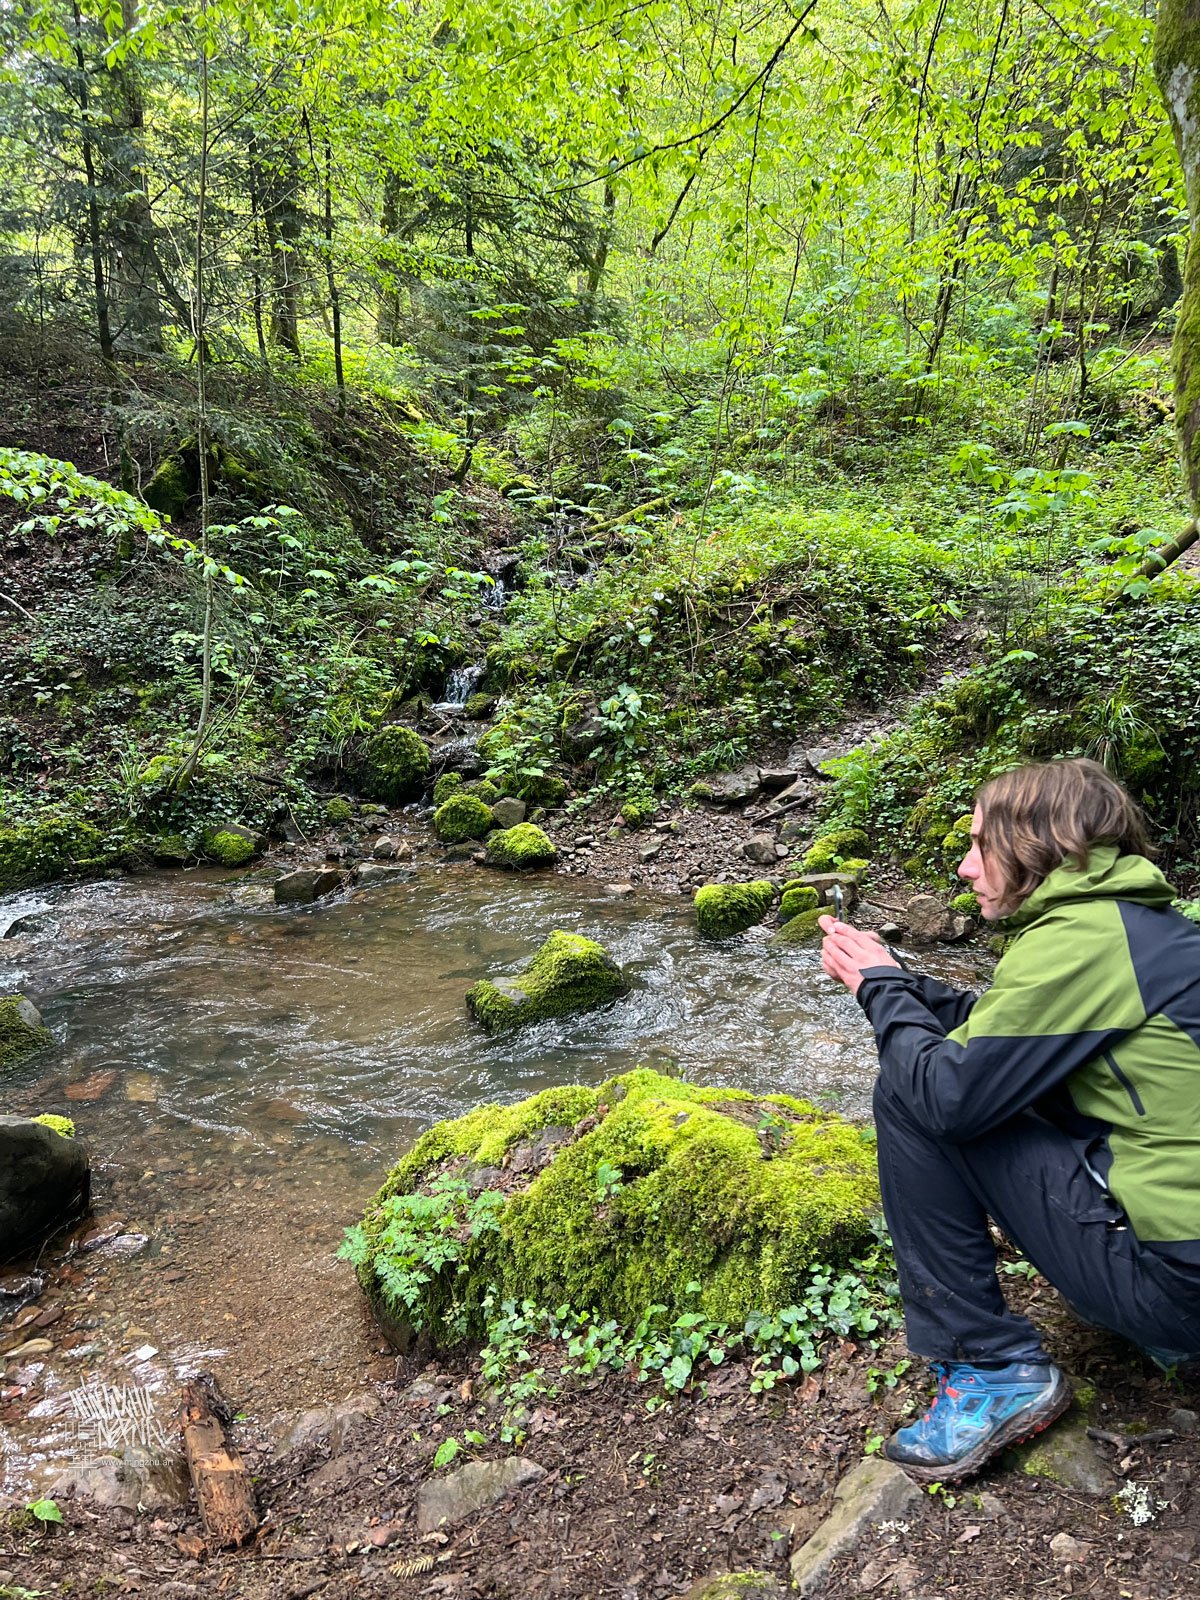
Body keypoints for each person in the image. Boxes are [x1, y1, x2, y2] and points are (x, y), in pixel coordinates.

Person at [818, 756, 1200, 1483]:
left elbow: (947, 1096)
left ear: (1035, 843)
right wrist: (902, 981)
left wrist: (879, 992)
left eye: (977, 843)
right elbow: (1007, 1037)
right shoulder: (1140, 930)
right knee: (958, 1072)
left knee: (911, 1092)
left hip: (1179, 1292)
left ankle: (992, 1369)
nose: (965, 868)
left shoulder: (1081, 943)